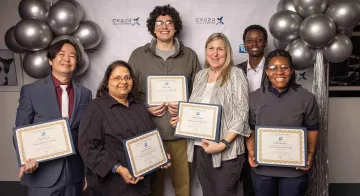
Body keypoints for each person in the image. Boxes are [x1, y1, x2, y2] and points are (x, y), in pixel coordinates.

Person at [128, 4, 201, 196]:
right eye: (159, 22)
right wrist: (146, 109)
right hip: (149, 133)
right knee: (152, 189)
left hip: (181, 135)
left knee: (183, 187)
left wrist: (185, 109)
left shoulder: (190, 56)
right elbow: (127, 94)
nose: (164, 26)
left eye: (169, 22)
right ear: (153, 27)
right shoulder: (137, 56)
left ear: (175, 26)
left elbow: (200, 94)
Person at [171, 32, 250, 196]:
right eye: (211, 48)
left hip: (226, 151)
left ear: (227, 52)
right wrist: (183, 120)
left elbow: (242, 113)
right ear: (206, 50)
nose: (215, 53)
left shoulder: (236, 74)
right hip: (200, 148)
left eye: (220, 49)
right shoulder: (201, 75)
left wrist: (222, 144)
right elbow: (197, 109)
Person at [78, 61, 171, 196]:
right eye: (117, 78)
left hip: (142, 183)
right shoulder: (96, 108)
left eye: (127, 77)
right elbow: (88, 147)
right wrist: (118, 168)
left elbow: (151, 137)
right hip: (111, 187)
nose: (123, 82)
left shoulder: (139, 107)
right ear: (106, 82)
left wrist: (161, 157)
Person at [15, 40, 92, 196]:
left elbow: (86, 135)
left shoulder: (85, 93)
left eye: (72, 56)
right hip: (42, 173)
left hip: (74, 174)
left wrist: (86, 172)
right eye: (61, 55)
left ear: (76, 63)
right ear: (50, 60)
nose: (66, 59)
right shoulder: (31, 91)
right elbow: (20, 130)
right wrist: (26, 159)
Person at [246, 49, 319, 196]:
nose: (279, 72)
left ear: (291, 71)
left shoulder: (307, 98)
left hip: (295, 171)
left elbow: (312, 128)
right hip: (263, 169)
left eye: (284, 67)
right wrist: (251, 151)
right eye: (273, 68)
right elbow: (251, 128)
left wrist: (310, 153)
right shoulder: (254, 97)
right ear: (266, 72)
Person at [236, 24, 268, 196]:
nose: (254, 43)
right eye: (249, 40)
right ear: (245, 44)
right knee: (247, 178)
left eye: (259, 39)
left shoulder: (275, 68)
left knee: (267, 178)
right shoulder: (236, 70)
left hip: (267, 130)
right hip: (241, 132)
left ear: (265, 43)